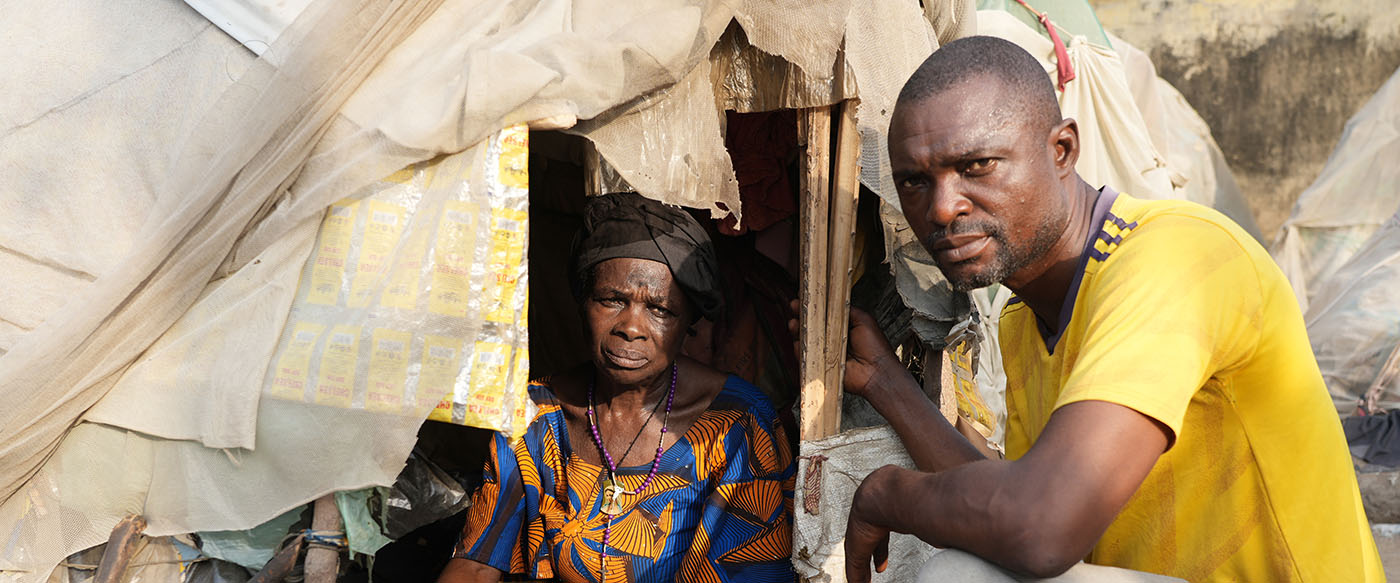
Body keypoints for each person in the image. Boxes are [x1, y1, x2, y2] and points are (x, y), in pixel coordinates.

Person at [836, 36, 1383, 582]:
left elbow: (1040, 530)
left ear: (1062, 151)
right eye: (914, 181)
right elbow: (1017, 511)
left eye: (977, 165)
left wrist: (888, 495)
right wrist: (886, 382)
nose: (942, 207)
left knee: (956, 577)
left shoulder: (1175, 257)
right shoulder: (1021, 322)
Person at [438, 192, 796, 583]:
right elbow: (477, 563)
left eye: (660, 309)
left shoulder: (737, 423)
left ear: (689, 322)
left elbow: (750, 568)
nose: (631, 327)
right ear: (583, 302)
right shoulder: (534, 416)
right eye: (611, 300)